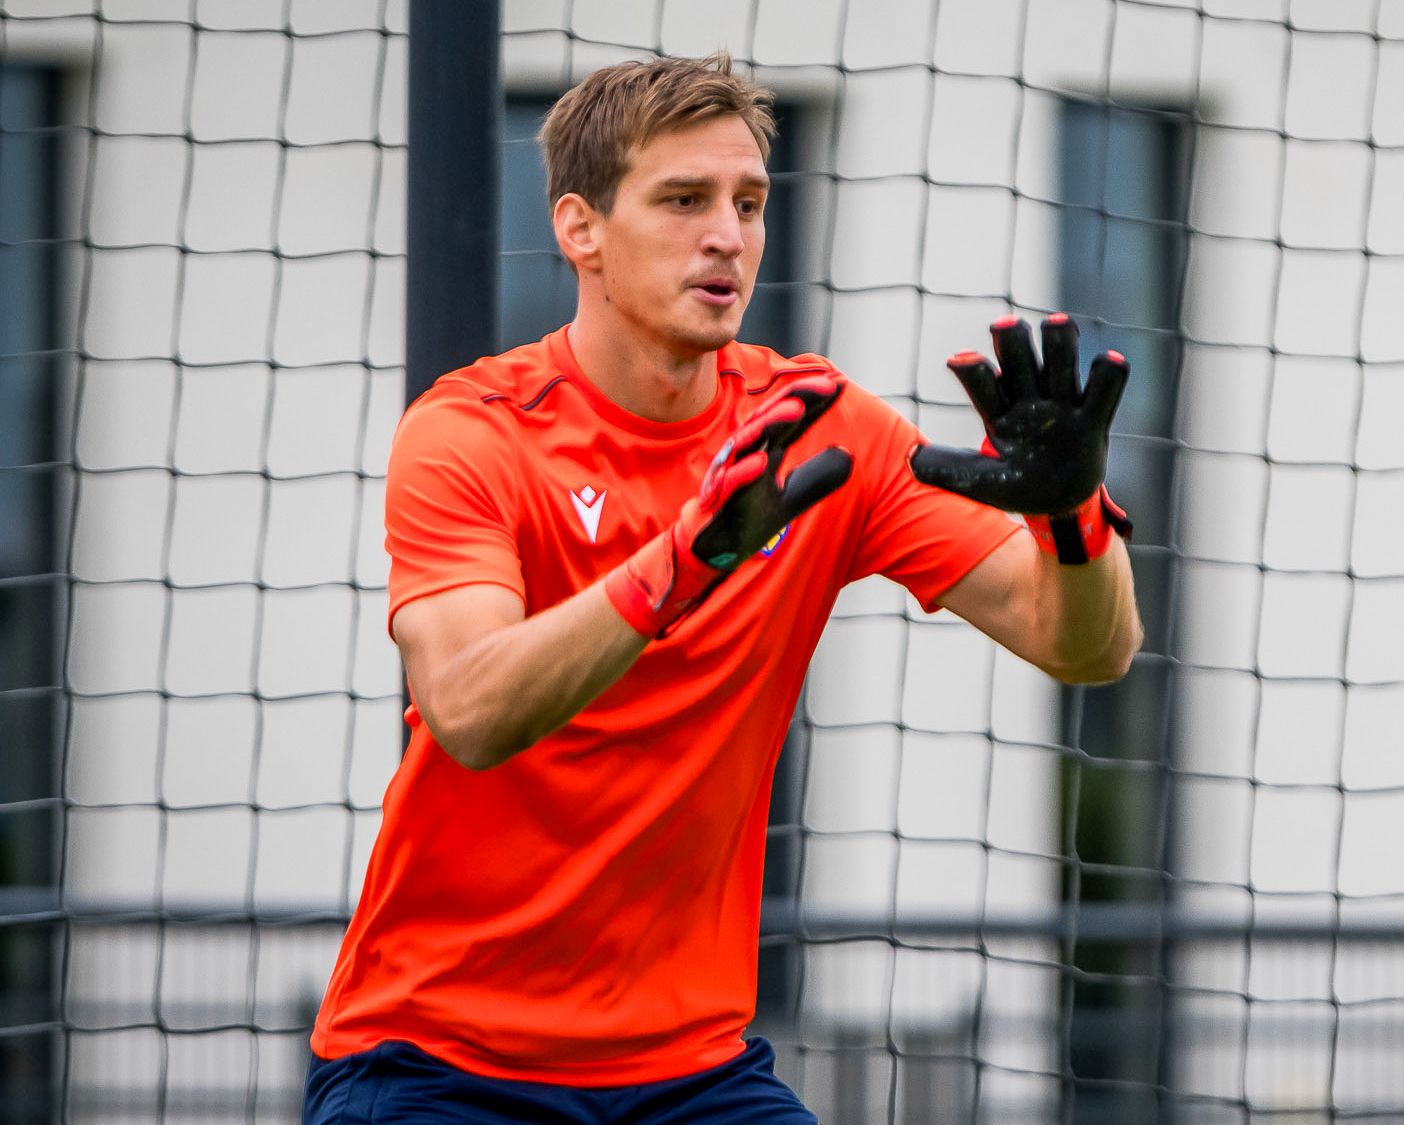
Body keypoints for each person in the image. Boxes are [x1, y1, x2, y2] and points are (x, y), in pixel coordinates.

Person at [303, 52, 1141, 1123]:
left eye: (747, 203)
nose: (727, 236)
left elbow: (1086, 646)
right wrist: (684, 563)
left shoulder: (815, 428)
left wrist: (1071, 521)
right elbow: (467, 709)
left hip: (691, 1070)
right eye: (684, 200)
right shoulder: (471, 431)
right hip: (438, 1060)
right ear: (580, 229)